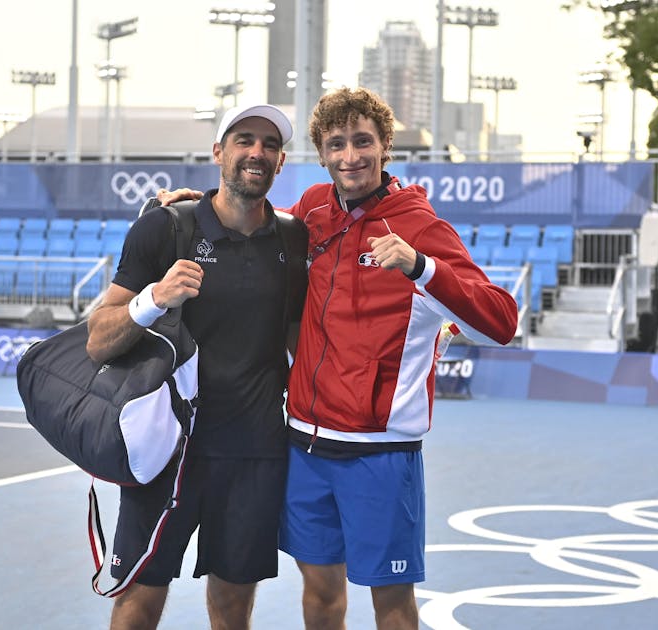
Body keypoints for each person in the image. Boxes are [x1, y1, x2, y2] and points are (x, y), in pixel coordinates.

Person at [160, 86, 520, 629]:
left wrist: (421, 266)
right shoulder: (314, 211)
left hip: (380, 452)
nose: (349, 156)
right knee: (322, 592)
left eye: (361, 141)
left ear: (384, 146)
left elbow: (501, 321)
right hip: (305, 443)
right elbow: (256, 223)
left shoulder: (420, 226)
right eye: (336, 144)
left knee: (391, 602)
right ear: (321, 154)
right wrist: (203, 205)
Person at [85, 103, 307, 630]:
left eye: (270, 145)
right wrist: (154, 298)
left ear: (280, 161)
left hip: (254, 450)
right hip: (169, 450)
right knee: (139, 600)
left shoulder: (295, 237)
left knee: (233, 608)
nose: (257, 153)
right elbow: (98, 338)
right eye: (244, 140)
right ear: (218, 153)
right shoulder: (165, 229)